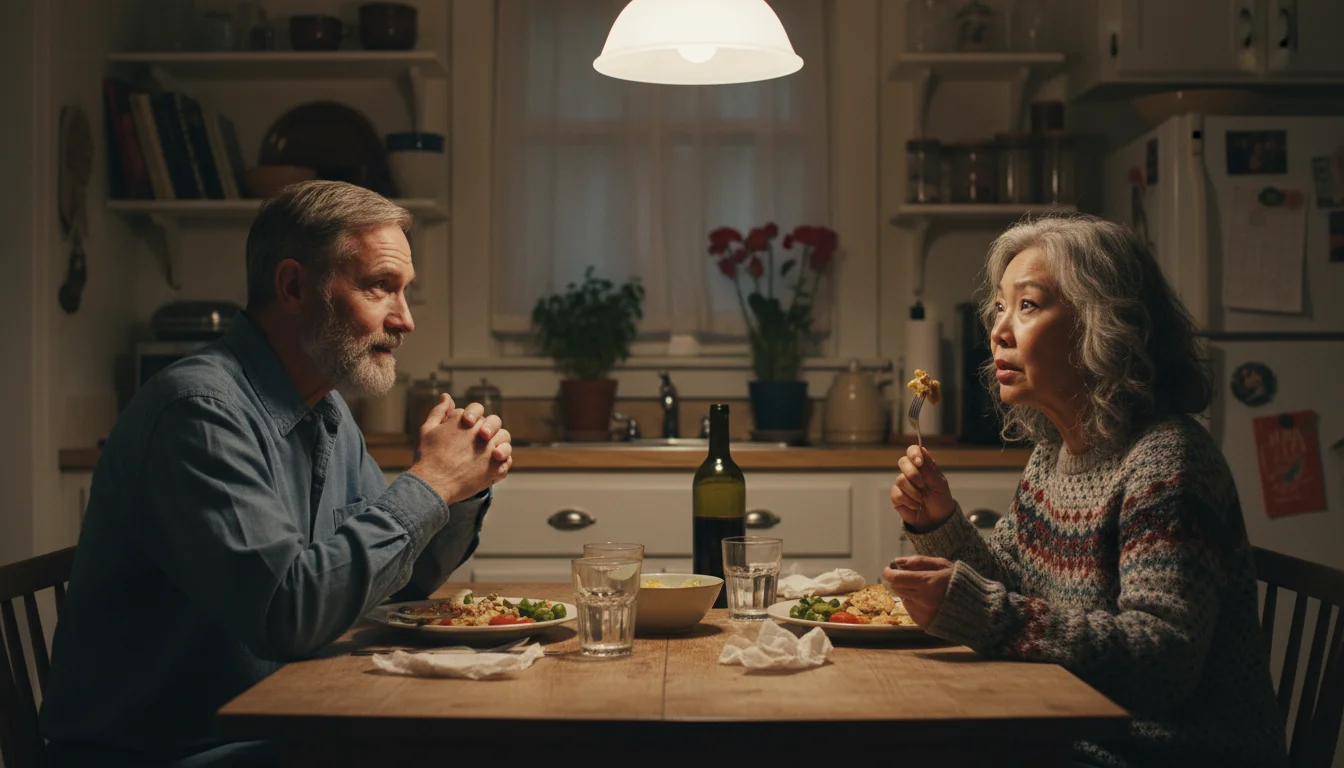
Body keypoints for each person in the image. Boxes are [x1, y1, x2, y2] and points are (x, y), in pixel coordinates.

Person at [41, 181, 513, 767]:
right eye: (380, 286)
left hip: (280, 724)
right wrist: (432, 483)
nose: (405, 320)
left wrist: (461, 489)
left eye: (405, 290)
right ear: (293, 286)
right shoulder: (198, 413)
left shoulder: (326, 409)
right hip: (169, 752)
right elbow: (287, 616)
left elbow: (396, 584)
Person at [883, 215, 1287, 768]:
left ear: (1104, 324)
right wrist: (939, 521)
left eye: (1028, 305)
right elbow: (1011, 586)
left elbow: (1162, 663)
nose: (999, 331)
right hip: (1069, 732)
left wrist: (976, 610)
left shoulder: (1166, 462)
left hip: (1165, 754)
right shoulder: (1054, 453)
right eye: (999, 307)